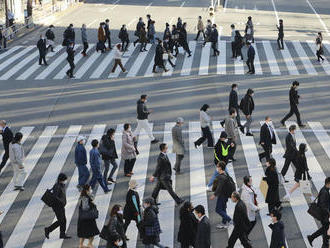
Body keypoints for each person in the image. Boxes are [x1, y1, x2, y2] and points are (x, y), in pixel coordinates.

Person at [44, 173, 71, 239]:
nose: (66, 181)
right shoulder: (57, 186)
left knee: (63, 220)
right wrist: (61, 201)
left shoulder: (61, 185)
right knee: (61, 221)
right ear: (61, 180)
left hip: (61, 206)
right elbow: (55, 197)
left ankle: (62, 234)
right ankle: (48, 229)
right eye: (65, 180)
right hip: (57, 207)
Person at [307, 177, 330, 248]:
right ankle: (312, 237)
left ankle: (324, 244)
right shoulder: (324, 192)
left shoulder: (325, 190)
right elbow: (323, 205)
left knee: (325, 228)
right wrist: (328, 212)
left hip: (324, 214)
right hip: (323, 214)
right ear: (328, 183)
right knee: (325, 228)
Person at [209, 161, 232, 229]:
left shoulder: (221, 177)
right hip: (225, 195)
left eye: (217, 166)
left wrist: (214, 195)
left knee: (218, 209)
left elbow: (219, 187)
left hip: (222, 195)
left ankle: (229, 220)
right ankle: (224, 223)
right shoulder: (225, 174)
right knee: (223, 209)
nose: (217, 168)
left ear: (220, 168)